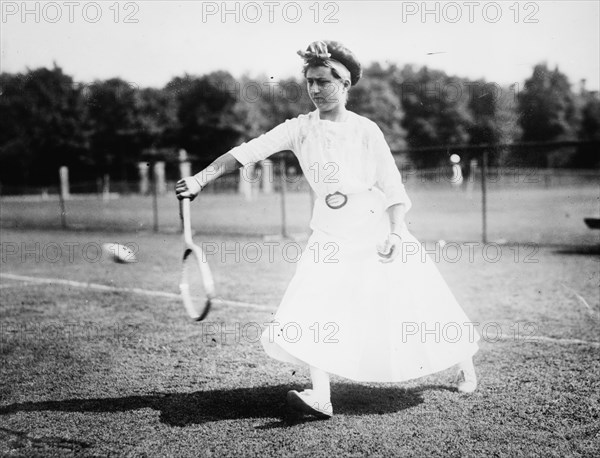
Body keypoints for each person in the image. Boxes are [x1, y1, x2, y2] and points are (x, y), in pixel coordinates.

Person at [176, 40, 479, 420]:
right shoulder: (298, 129)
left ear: (346, 83)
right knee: (312, 305)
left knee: (420, 301)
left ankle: (466, 365)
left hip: (375, 228)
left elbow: (392, 186)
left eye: (323, 81)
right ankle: (321, 397)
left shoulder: (367, 130)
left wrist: (396, 231)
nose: (315, 90)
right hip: (329, 233)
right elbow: (247, 152)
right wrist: (200, 179)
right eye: (310, 82)